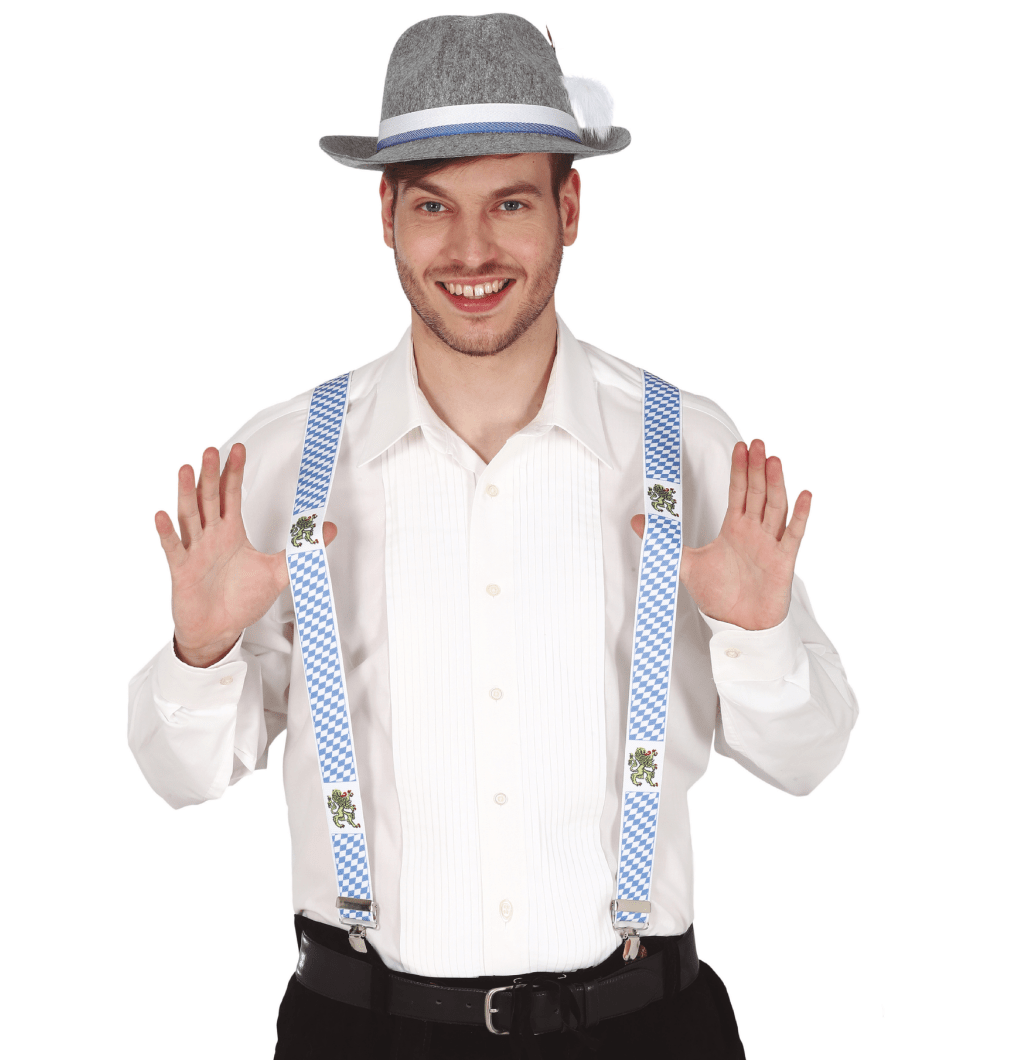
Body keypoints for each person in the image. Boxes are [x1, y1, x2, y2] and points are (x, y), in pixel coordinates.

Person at [127, 13, 858, 1059]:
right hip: (360, 1034)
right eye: (434, 205)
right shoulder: (284, 463)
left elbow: (809, 756)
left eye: (510, 202)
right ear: (386, 215)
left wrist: (757, 633)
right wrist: (200, 651)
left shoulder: (688, 450)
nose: (471, 250)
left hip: (645, 1031)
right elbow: (180, 777)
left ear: (570, 207)